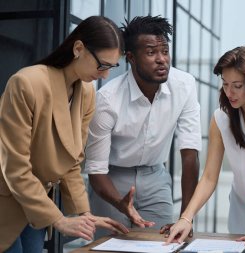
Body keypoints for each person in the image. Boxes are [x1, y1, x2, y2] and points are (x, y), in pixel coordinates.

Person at [0, 16, 129, 252]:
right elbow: (14, 166)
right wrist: (59, 219)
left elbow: (72, 161)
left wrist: (85, 215)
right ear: (78, 48)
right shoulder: (26, 83)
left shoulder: (87, 93)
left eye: (112, 67)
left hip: (37, 203)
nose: (105, 76)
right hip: (6, 199)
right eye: (102, 65)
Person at [83, 15, 202, 238]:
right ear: (131, 58)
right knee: (108, 247)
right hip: (111, 180)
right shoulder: (107, 99)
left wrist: (187, 216)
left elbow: (190, 154)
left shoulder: (184, 86)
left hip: (156, 176)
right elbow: (96, 170)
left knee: (165, 243)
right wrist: (121, 204)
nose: (162, 60)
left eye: (165, 51)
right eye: (151, 52)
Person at [165, 46, 245, 247]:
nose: (229, 92)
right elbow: (209, 177)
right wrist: (186, 218)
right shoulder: (221, 117)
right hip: (241, 208)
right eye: (225, 84)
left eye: (237, 85)